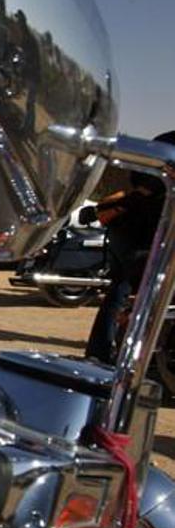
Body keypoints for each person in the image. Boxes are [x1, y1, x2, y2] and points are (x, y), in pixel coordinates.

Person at [83, 131, 175, 364]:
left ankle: (101, 352)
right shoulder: (168, 146)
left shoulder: (162, 142)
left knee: (121, 290)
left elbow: (138, 184)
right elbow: (146, 189)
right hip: (146, 234)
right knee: (138, 292)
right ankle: (117, 354)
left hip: (127, 229)